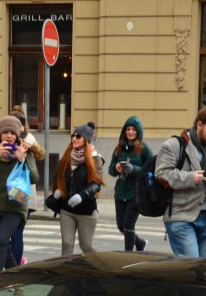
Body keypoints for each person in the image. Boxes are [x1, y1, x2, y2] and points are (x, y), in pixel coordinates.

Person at [154, 106, 206, 258]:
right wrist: (190, 178)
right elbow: (161, 174)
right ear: (199, 125)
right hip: (181, 215)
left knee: (202, 271)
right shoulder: (174, 145)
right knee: (192, 268)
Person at [0, 114, 40, 296]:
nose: (9, 136)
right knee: (1, 246)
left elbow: (35, 178)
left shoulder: (24, 150)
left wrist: (22, 160)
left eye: (12, 133)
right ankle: (19, 291)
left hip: (17, 205)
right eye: (5, 132)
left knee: (3, 239)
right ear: (0, 134)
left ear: (17, 134)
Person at [50, 122, 104, 256]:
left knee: (86, 246)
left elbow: (96, 184)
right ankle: (67, 275)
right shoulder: (67, 157)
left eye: (78, 136)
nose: (74, 138)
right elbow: (59, 177)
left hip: (86, 211)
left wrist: (81, 196)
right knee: (67, 245)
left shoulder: (95, 159)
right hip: (67, 210)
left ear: (86, 139)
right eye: (73, 136)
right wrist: (58, 190)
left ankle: (101, 268)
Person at [108, 115, 153, 251]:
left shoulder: (144, 148)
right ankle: (140, 243)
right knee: (121, 226)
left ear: (138, 132)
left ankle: (128, 255)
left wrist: (134, 169)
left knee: (128, 226)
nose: (131, 132)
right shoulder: (119, 148)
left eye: (134, 129)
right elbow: (110, 170)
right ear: (124, 131)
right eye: (128, 129)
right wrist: (116, 168)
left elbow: (151, 170)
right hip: (121, 191)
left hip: (136, 192)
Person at [10, 105, 46, 265]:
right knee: (9, 233)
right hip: (10, 191)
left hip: (22, 193)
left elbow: (40, 156)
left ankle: (16, 265)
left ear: (22, 126)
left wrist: (28, 148)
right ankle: (17, 261)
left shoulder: (28, 140)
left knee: (16, 232)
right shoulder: (5, 140)